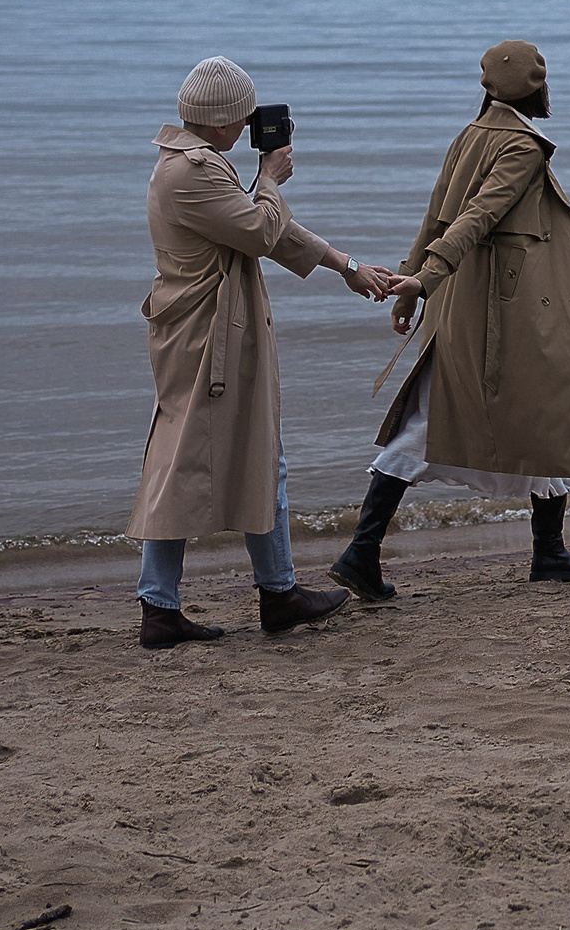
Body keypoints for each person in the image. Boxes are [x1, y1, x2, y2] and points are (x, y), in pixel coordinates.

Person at [128, 57, 395, 649]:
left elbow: (263, 228)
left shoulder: (197, 165)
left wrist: (346, 267)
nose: (253, 125)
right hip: (208, 339)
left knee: (215, 459)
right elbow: (261, 230)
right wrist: (272, 175)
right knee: (214, 461)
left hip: (205, 333)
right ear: (223, 121)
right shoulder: (193, 172)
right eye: (245, 115)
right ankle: (263, 594)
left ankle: (192, 602)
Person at [330, 39, 570, 601]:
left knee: (525, 411)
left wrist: (412, 287)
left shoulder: (470, 135)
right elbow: (474, 218)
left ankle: (547, 550)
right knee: (452, 419)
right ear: (539, 88)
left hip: (462, 300)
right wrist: (420, 283)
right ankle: (362, 552)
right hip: (500, 307)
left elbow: (435, 215)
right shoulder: (521, 146)